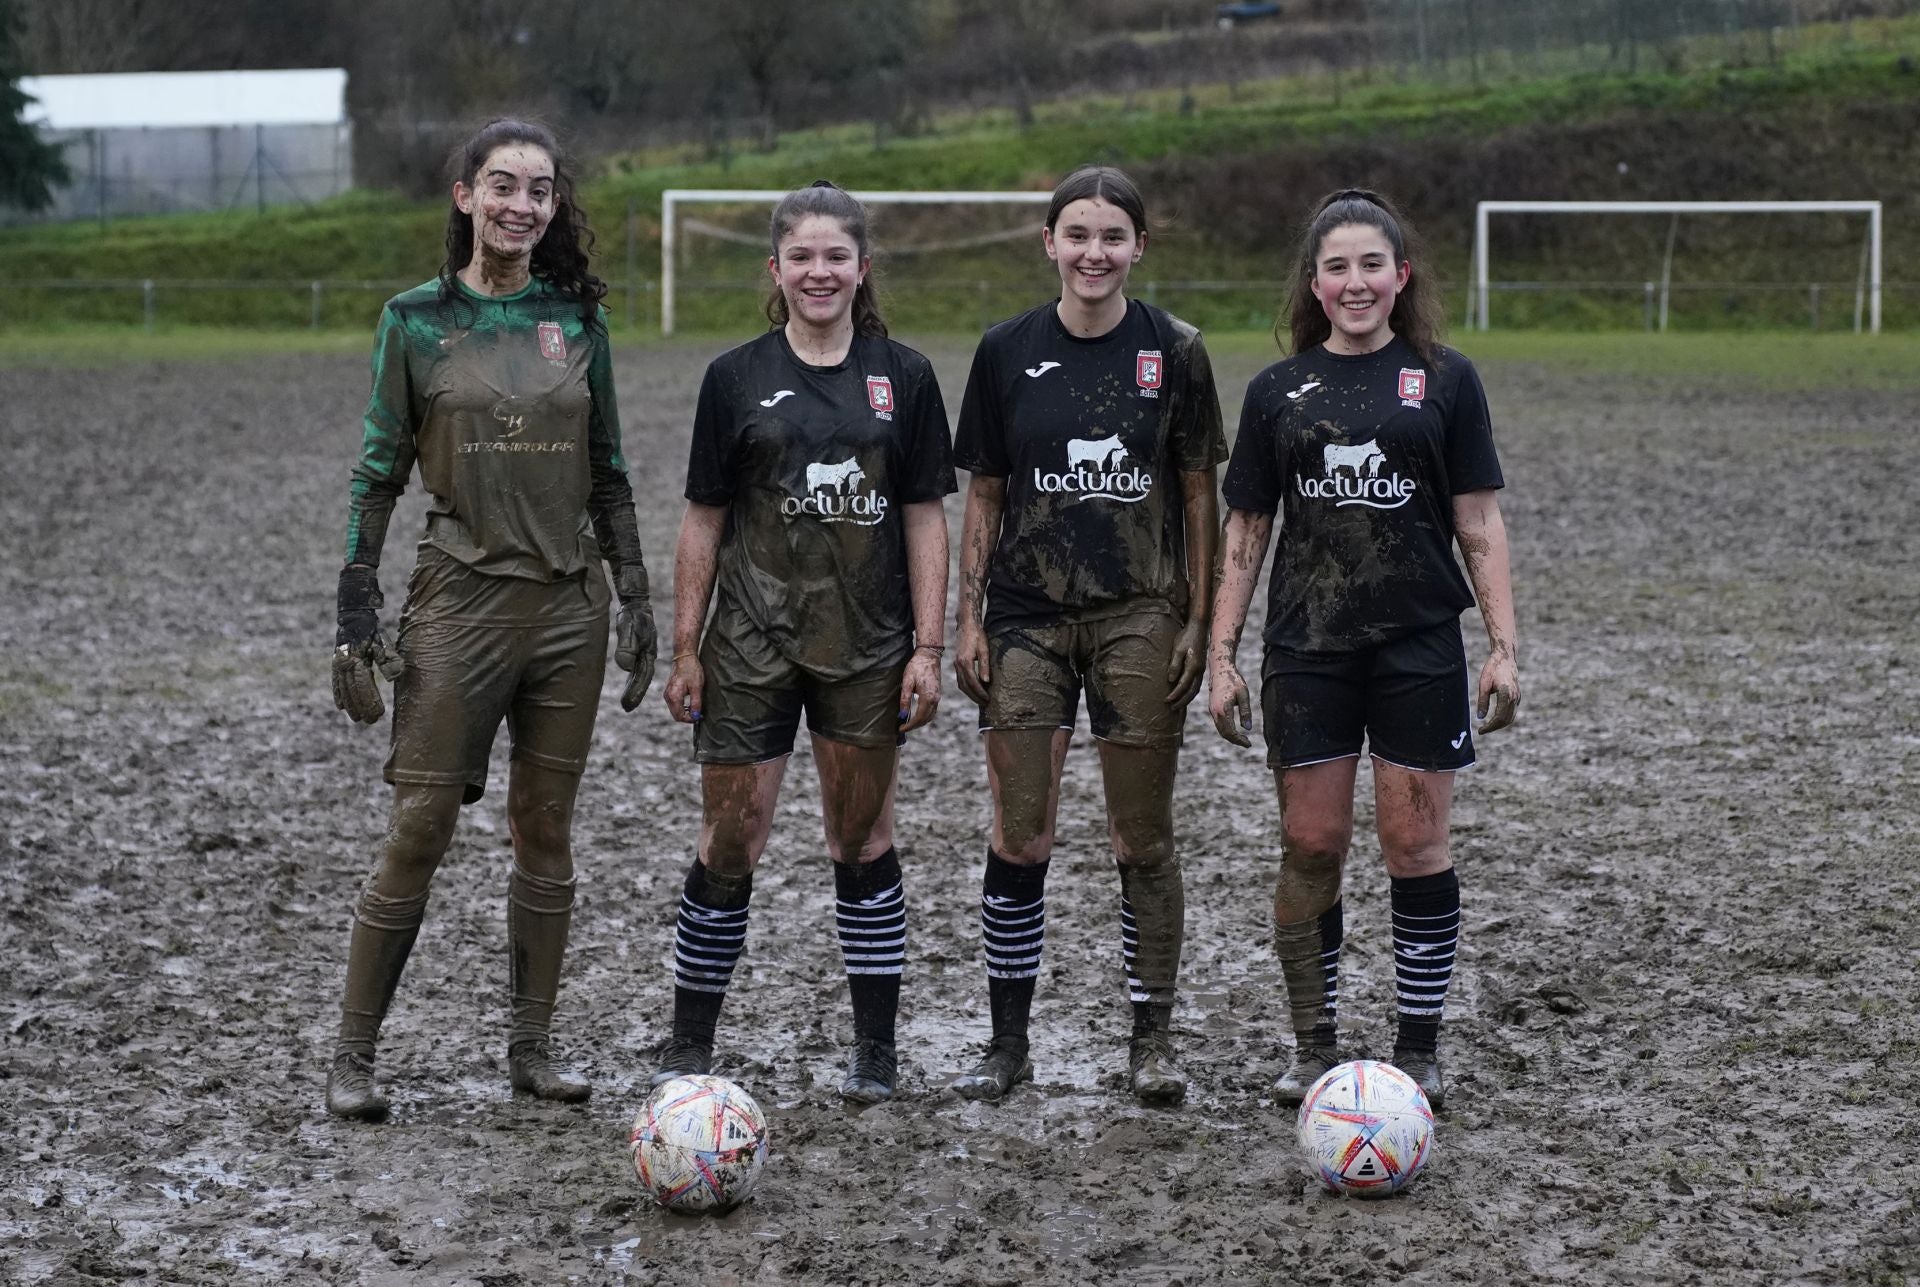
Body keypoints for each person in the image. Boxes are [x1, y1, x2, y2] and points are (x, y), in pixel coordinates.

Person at [324, 118, 656, 1122]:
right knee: (420, 827)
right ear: (465, 195)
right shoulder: (415, 320)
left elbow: (608, 468)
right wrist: (354, 606)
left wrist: (636, 591)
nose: (523, 204)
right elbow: (378, 469)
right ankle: (354, 1058)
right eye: (503, 185)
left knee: (544, 829)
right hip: (458, 603)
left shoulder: (578, 323)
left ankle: (533, 1049)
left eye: (541, 189)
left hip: (568, 612)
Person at [1207, 188, 1519, 1111]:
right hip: (1308, 646)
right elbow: (1246, 528)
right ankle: (1314, 1049)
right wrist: (1222, 652)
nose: (1355, 282)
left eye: (1371, 265)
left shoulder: (1447, 379)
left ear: (1400, 276)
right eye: (1337, 266)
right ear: (1315, 282)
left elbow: (1480, 519)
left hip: (1420, 642)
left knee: (1415, 845)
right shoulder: (1277, 390)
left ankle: (1418, 1049)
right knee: (1311, 843)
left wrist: (1503, 645)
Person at [651, 181, 955, 1105]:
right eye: (801, 257)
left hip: (865, 644)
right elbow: (703, 518)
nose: (818, 272)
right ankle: (689, 1040)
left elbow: (926, 519)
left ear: (862, 270)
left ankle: (875, 1050)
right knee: (730, 837)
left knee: (860, 838)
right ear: (774, 271)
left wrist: (928, 647)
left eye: (836, 257)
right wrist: (686, 647)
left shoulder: (902, 377)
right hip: (748, 643)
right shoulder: (733, 378)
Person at [948, 165, 1225, 1106]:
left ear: (1139, 247)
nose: (1094, 253)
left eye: (1113, 237)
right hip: (1025, 614)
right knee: (1021, 834)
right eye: (1078, 235)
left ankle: (1151, 1039)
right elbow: (984, 489)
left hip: (1139, 612)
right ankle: (1007, 1041)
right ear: (1049, 244)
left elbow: (1198, 493)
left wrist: (1197, 617)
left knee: (1139, 835)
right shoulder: (1004, 350)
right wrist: (967, 617)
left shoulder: (1176, 351)